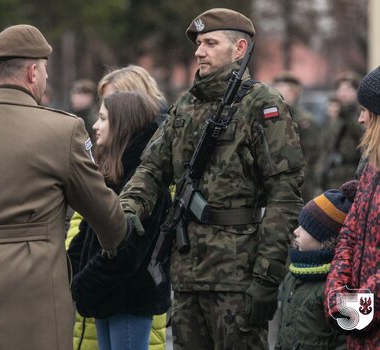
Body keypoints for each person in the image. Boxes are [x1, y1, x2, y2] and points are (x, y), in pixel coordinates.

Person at [119, 8, 304, 350]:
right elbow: (151, 169)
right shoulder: (185, 106)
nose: (198, 51)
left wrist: (267, 276)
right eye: (198, 43)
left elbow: (285, 194)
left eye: (209, 43)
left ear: (239, 49)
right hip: (187, 273)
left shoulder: (262, 105)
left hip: (237, 274)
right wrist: (127, 210)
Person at [0, 24, 130, 350]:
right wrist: (114, 241)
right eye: (45, 70)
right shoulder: (60, 130)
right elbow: (106, 217)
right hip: (33, 294)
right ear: (33, 72)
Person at [68, 64, 170, 350]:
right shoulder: (113, 164)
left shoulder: (147, 169)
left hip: (126, 294)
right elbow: (88, 227)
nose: (95, 124)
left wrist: (83, 282)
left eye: (105, 114)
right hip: (104, 292)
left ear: (126, 116)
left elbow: (131, 244)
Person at [324, 66, 380, 350]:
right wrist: (336, 293)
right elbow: (350, 234)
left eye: (366, 110)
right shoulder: (371, 168)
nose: (360, 118)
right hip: (361, 332)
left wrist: (360, 309)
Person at [275, 180, 357, 349]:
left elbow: (348, 342)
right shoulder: (293, 275)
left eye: (305, 228)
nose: (296, 231)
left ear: (324, 241)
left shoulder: (342, 286)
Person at [272, 71, 319, 203]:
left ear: (295, 94)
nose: (278, 95)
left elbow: (313, 155)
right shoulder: (270, 117)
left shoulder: (305, 121)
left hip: (298, 183)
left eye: (284, 91)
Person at [318, 71, 364, 191]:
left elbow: (363, 137)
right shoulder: (334, 115)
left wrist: (348, 116)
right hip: (333, 174)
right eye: (340, 89)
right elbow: (325, 147)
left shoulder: (362, 113)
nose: (343, 93)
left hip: (352, 172)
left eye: (348, 89)